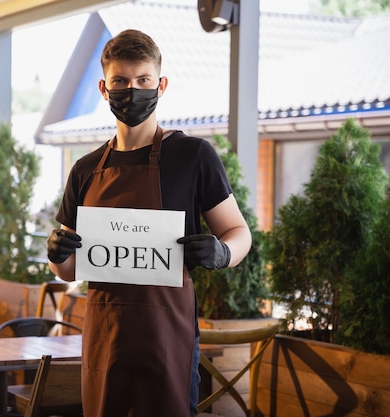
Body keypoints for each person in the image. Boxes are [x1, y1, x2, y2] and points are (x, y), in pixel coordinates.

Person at [47, 29, 252, 417]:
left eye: (142, 80)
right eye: (121, 81)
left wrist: (223, 251)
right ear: (104, 89)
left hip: (168, 340)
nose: (132, 90)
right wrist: (57, 253)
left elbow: (239, 233)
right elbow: (69, 270)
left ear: (161, 85)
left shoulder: (193, 156)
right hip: (105, 340)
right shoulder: (86, 169)